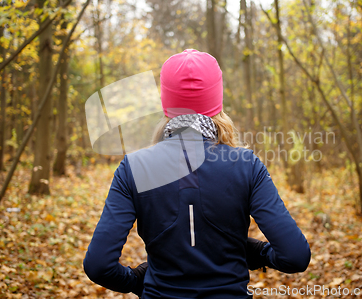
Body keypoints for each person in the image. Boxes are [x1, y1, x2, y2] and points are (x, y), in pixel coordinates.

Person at [83, 49, 311, 298]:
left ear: (166, 103)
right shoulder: (247, 165)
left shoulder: (133, 167)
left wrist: (137, 281)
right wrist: (256, 252)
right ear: (216, 102)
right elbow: (295, 256)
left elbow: (98, 265)